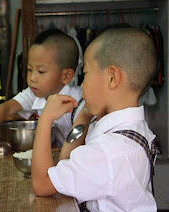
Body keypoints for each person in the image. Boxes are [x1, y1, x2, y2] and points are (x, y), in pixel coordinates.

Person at [31, 27, 158, 211]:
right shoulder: (129, 129)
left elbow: (42, 184)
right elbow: (65, 161)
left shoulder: (109, 151)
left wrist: (46, 118)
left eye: (86, 73)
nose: (82, 84)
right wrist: (84, 114)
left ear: (112, 78)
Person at [0, 29, 82, 145]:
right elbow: (7, 108)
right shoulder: (35, 93)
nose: (32, 78)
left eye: (41, 71)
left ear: (66, 76)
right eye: (29, 69)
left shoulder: (78, 102)